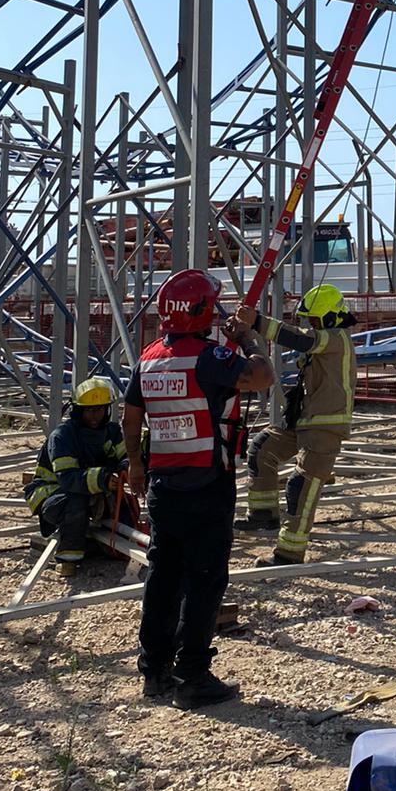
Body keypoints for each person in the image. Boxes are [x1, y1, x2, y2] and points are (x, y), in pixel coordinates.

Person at [122, 267, 274, 708]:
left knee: (163, 577)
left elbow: (131, 417)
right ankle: (192, 675)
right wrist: (246, 338)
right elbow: (260, 376)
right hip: (208, 484)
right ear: (203, 311)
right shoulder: (209, 358)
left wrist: (135, 463)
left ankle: (154, 671)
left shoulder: (148, 359)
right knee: (205, 579)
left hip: (163, 485)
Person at [229, 284, 357, 566]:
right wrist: (245, 337)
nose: (310, 326)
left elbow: (301, 340)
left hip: (326, 427)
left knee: (302, 485)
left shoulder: (336, 339)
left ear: (331, 318)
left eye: (314, 321)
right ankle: (263, 514)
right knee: (263, 448)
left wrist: (257, 322)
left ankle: (289, 552)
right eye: (309, 321)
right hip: (304, 421)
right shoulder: (326, 338)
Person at [23, 377, 128, 576]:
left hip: (92, 489)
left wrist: (125, 468)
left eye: (100, 409)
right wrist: (103, 480)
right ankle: (68, 558)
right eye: (90, 410)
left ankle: (107, 548)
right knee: (75, 504)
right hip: (55, 494)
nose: (96, 415)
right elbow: (68, 478)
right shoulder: (63, 436)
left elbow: (125, 456)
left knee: (123, 508)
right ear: (78, 410)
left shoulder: (111, 432)